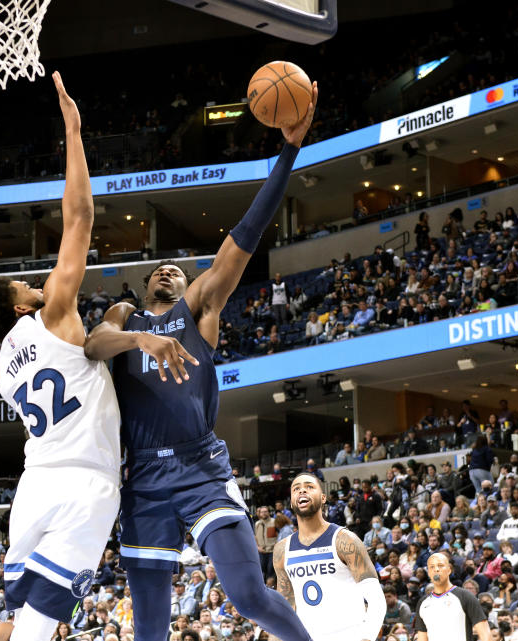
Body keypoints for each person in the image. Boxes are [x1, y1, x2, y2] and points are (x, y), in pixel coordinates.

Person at [82, 82, 318, 641]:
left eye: (177, 268)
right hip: (142, 476)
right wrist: (141, 341)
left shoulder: (200, 308)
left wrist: (288, 151)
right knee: (150, 629)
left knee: (247, 595)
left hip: (200, 467)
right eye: (158, 268)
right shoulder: (124, 317)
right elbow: (94, 345)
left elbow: (247, 235)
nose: (167, 269)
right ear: (143, 286)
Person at [0, 71, 121, 640]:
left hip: (34, 487)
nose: (33, 285)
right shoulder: (53, 314)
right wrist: (75, 132)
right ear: (16, 309)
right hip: (83, 484)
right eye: (22, 287)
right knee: (37, 630)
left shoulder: (5, 373)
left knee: (20, 621)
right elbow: (79, 219)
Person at [273, 473, 384, 641]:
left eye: (309, 487)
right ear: (291, 501)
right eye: (296, 489)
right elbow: (285, 608)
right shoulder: (282, 549)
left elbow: (376, 599)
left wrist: (367, 637)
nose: (302, 490)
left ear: (323, 498)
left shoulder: (344, 540)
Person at [413, 553, 490, 641]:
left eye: (440, 565)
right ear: (429, 573)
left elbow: (485, 635)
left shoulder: (465, 596)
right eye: (432, 567)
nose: (436, 569)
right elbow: (422, 638)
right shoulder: (423, 602)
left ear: (449, 570)